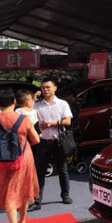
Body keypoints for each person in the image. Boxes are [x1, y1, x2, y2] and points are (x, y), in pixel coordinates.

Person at [0, 88, 40, 223]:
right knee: (24, 189)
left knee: (9, 194)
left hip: (2, 160)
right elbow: (36, 140)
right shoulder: (24, 119)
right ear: (14, 102)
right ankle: (22, 222)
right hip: (24, 159)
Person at [30, 77, 72, 211]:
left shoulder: (62, 104)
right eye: (43, 87)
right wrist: (33, 99)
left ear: (55, 88)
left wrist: (50, 124)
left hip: (59, 141)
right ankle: (37, 200)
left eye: (48, 87)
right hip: (43, 142)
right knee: (40, 172)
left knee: (62, 169)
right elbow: (28, 116)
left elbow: (67, 122)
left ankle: (65, 195)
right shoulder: (37, 105)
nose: (45, 90)